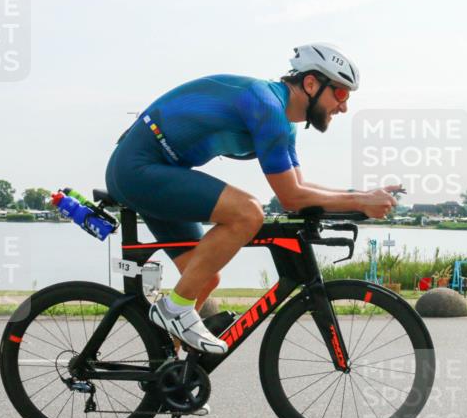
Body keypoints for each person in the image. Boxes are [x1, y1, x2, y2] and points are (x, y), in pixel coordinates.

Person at [105, 43, 399, 355]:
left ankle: (166, 372)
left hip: (160, 172)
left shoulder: (284, 122)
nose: (344, 107)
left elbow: (299, 186)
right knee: (247, 212)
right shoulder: (266, 106)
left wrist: (362, 196)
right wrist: (360, 202)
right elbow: (290, 198)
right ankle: (173, 310)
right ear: (311, 83)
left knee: (202, 278)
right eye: (340, 94)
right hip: (138, 168)